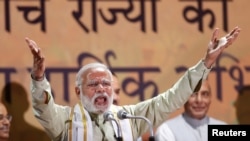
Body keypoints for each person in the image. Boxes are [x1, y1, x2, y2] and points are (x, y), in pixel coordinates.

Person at [24, 26, 241, 141]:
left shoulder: (129, 117)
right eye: (94, 84)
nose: (101, 88)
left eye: (106, 84)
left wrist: (206, 63)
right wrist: (39, 78)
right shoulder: (65, 121)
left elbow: (172, 98)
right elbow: (43, 108)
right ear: (77, 91)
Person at [155, 79, 226, 141]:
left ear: (210, 98)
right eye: (193, 94)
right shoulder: (167, 130)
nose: (199, 100)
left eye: (204, 94)